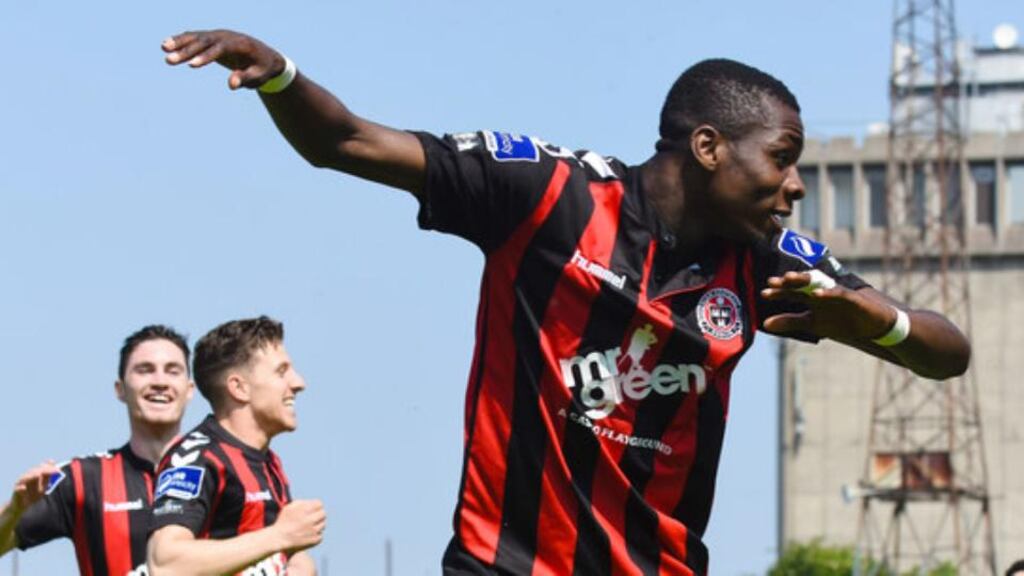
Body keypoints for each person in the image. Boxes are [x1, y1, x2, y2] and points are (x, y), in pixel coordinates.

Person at [160, 30, 971, 575]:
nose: (795, 185)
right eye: (783, 158)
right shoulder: (548, 196)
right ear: (709, 147)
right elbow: (347, 141)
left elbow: (948, 353)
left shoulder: (762, 262)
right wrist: (279, 75)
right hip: (502, 566)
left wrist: (881, 322)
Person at [0, 325, 194, 575]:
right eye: (144, 370)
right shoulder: (81, 478)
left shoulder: (225, 470)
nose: (159, 381)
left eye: (172, 371)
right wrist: (13, 512)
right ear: (120, 389)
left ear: (189, 390)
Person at [146, 315, 324, 576]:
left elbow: (291, 554)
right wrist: (280, 536)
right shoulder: (197, 458)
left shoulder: (268, 461)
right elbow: (165, 564)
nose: (298, 383)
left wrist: (299, 564)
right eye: (281, 371)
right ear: (239, 388)